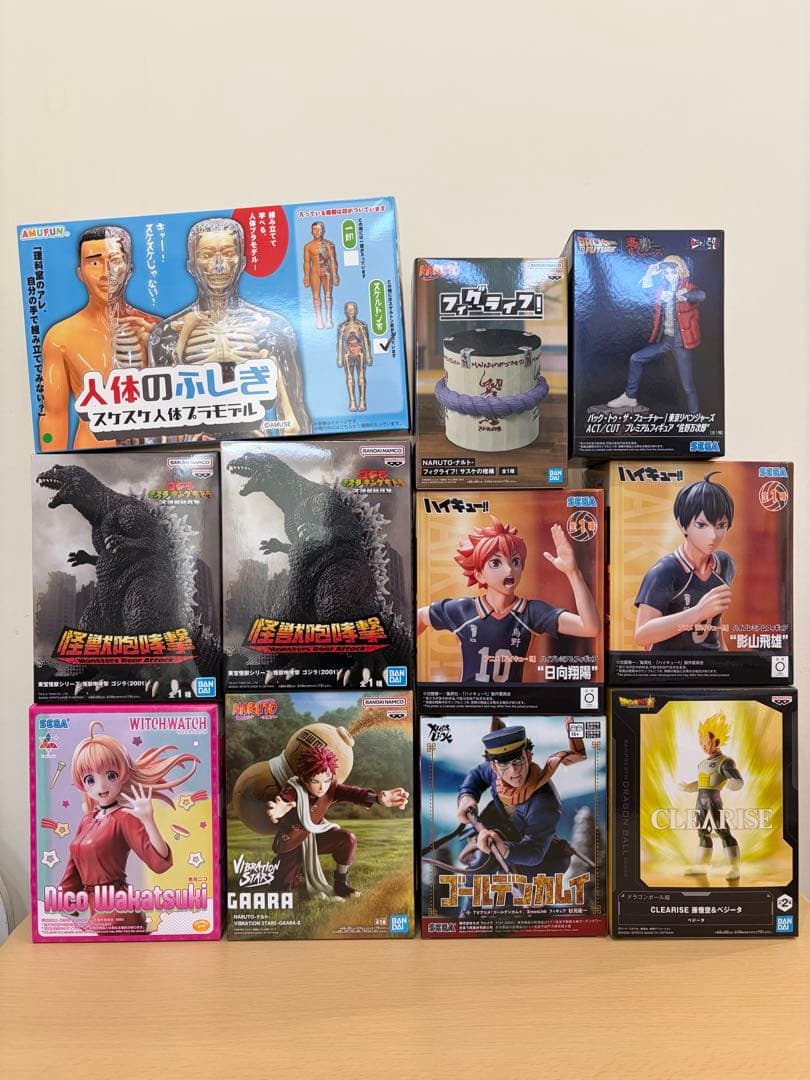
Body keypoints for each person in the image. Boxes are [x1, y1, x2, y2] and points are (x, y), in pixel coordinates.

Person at [149, 217, 310, 434]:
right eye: (207, 255)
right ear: (192, 266)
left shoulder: (274, 329)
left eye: (228, 253)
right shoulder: (167, 334)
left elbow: (295, 419)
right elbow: (159, 420)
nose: (218, 265)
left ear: (242, 262)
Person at [416, 516, 600, 684]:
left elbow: (590, 628)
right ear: (479, 575)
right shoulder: (463, 610)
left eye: (515, 562)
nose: (509, 570)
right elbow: (421, 616)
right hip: (470, 705)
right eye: (496, 563)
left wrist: (573, 572)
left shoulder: (531, 613)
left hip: (511, 704)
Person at [58, 722, 199, 934]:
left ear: (122, 775)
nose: (101, 786)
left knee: (95, 941)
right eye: (90, 779)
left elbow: (159, 861)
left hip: (118, 908)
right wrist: (62, 899)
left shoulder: (124, 818)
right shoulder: (88, 821)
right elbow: (74, 868)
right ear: (82, 783)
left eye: (111, 776)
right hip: (95, 908)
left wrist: (148, 820)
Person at [39, 225, 158, 450]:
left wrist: (158, 349)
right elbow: (54, 415)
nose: (106, 273)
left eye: (115, 260)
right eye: (94, 263)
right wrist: (49, 461)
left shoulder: (156, 330)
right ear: (80, 273)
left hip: (152, 454)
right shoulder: (60, 337)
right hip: (91, 455)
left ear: (129, 268)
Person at [266, 744, 409, 899]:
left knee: (348, 839)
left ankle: (341, 884)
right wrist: (279, 808)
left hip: (316, 836)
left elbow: (353, 793)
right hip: (293, 843)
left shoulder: (330, 789)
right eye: (315, 781)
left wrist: (378, 799)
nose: (322, 787)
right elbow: (285, 799)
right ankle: (289, 869)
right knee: (280, 889)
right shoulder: (293, 787)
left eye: (327, 780)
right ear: (304, 778)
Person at [454, 721, 586, 876]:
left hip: (537, 860)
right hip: (503, 833)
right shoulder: (495, 772)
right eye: (504, 764)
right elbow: (477, 775)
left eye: (518, 760)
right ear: (494, 766)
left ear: (528, 756)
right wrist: (467, 796)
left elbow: (535, 850)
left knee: (521, 886)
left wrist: (506, 850)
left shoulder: (544, 803)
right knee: (478, 867)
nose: (514, 771)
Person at [634, 472, 735, 653]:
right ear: (682, 524)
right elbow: (642, 635)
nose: (713, 535)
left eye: (721, 525)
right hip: (671, 666)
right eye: (701, 525)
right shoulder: (664, 572)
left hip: (712, 666)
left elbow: (715, 620)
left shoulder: (725, 564)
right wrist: (698, 612)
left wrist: (726, 660)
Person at [606, 254, 705, 413]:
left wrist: (677, 296)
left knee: (687, 385)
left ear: (680, 272)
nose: (669, 276)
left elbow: (700, 295)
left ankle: (695, 414)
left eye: (672, 272)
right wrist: (649, 273)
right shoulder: (661, 290)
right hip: (665, 341)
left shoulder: (687, 288)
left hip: (681, 343)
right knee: (636, 358)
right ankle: (630, 397)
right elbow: (635, 294)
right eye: (666, 273)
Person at [678, 712, 744, 880]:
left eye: (706, 742)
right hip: (700, 802)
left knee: (723, 832)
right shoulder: (702, 764)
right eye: (701, 742)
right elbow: (702, 783)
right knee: (703, 833)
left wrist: (733, 784)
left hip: (714, 801)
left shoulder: (725, 762)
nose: (703, 746)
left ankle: (734, 868)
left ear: (717, 742)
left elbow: (737, 780)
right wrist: (688, 787)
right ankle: (701, 867)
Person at [336, 300, 373, 411]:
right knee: (349, 378)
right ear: (345, 311)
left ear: (356, 311)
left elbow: (366, 340)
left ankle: (362, 401)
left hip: (359, 352)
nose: (351, 311)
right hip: (348, 353)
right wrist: (339, 357)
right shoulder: (342, 326)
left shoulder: (361, 325)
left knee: (361, 377)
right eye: (348, 309)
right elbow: (340, 342)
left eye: (352, 309)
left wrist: (368, 355)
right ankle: (352, 402)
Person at [302, 220, 339, 329]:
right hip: (314, 272)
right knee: (316, 296)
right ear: (311, 231)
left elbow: (333, 260)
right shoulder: (308, 246)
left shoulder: (329, 245)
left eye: (319, 229)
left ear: (323, 231)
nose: (317, 231)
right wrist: (306, 276)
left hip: (327, 271)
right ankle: (319, 318)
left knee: (328, 296)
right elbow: (307, 262)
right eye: (314, 229)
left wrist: (335, 274)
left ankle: (329, 318)